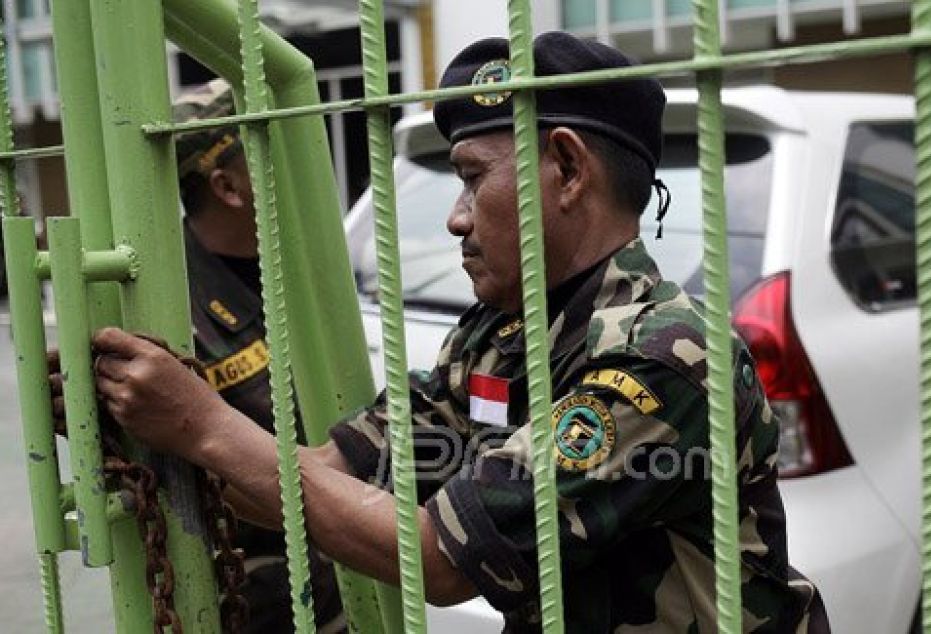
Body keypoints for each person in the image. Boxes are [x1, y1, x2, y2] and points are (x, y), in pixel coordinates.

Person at [81, 33, 829, 632]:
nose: (456, 216)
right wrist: (142, 418)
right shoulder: (494, 335)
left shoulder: (660, 355)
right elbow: (324, 472)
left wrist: (201, 423)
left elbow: (439, 559)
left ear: (567, 169)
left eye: (474, 178)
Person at [171, 79, 343, 633]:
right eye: (270, 149)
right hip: (257, 588)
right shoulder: (170, 299)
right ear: (226, 184)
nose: (294, 161)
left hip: (345, 564)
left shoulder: (303, 260)